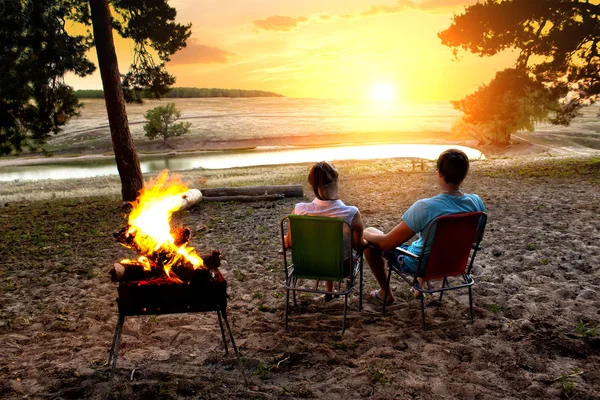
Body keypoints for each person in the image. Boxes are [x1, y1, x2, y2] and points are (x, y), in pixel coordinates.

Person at [363, 149, 486, 305]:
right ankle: (418, 287)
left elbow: (387, 243)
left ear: (439, 173)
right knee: (428, 241)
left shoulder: (425, 207)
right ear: (464, 174)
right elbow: (476, 239)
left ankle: (385, 292)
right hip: (454, 263)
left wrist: (363, 233)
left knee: (373, 237)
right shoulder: (476, 202)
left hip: (422, 266)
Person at [284, 161, 364, 301]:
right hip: (341, 269)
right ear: (336, 181)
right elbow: (358, 246)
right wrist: (367, 242)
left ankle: (329, 292)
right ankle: (330, 291)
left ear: (313, 186)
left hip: (307, 267)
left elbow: (289, 243)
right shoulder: (351, 213)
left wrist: (285, 238)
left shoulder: (299, 210)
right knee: (334, 251)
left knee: (324, 247)